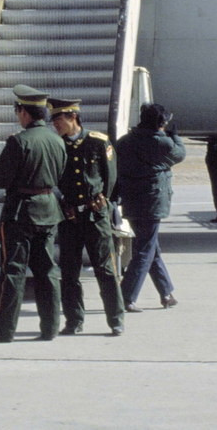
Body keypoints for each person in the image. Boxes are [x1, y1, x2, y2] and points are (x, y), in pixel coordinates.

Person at [0, 85, 66, 342]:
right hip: (48, 209)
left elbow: (0, 180)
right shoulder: (57, 140)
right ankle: (50, 328)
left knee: (13, 272)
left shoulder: (18, 141)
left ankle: (3, 330)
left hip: (20, 213)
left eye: (18, 111)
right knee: (47, 271)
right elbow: (59, 174)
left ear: (24, 112)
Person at [47, 97, 125, 337]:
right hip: (69, 217)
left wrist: (104, 199)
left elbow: (111, 177)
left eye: (58, 119)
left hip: (95, 216)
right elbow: (53, 179)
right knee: (69, 272)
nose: (55, 125)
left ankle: (115, 319)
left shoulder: (98, 143)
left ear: (73, 117)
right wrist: (63, 203)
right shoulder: (57, 145)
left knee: (106, 270)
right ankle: (74, 320)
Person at [116, 103, 185, 312]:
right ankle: (126, 296)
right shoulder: (161, 142)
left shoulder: (125, 141)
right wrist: (175, 136)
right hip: (152, 202)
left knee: (151, 247)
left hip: (131, 199)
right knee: (145, 250)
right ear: (161, 123)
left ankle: (166, 292)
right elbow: (179, 154)